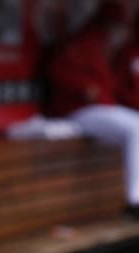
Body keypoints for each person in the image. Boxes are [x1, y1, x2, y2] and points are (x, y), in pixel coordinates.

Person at [46, 0, 139, 215]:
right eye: (115, 26)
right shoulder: (83, 42)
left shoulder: (109, 48)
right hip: (78, 111)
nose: (118, 32)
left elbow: (116, 87)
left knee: (136, 126)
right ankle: (135, 200)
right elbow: (57, 70)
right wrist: (86, 89)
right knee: (135, 129)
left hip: (102, 109)